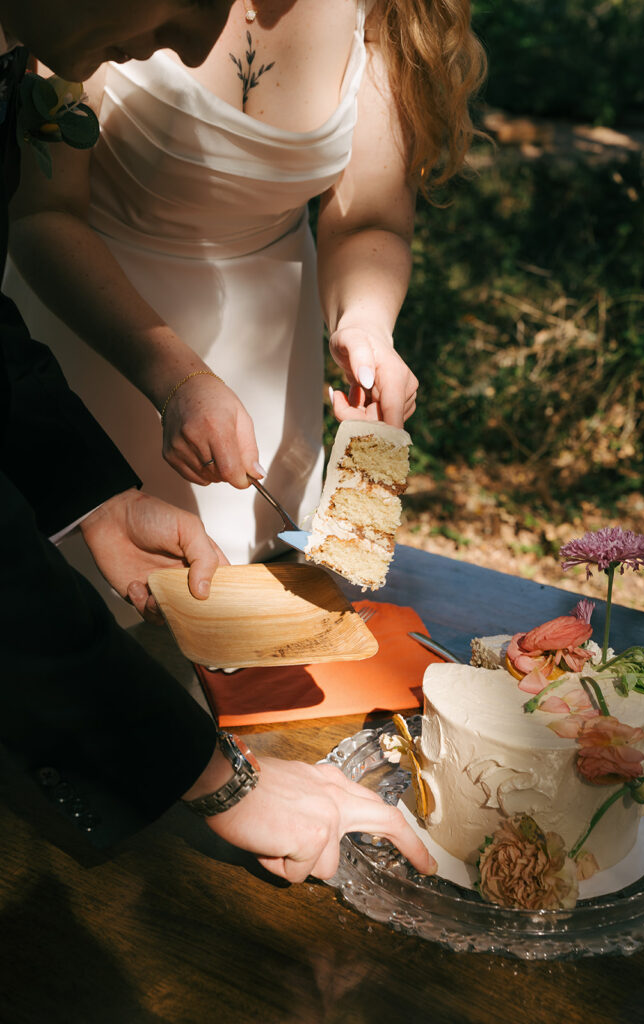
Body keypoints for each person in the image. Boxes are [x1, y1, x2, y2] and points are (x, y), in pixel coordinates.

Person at [0, 0, 436, 882]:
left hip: (69, 413)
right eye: (192, 6)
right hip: (93, 359)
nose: (201, 44)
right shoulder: (53, 49)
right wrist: (214, 781)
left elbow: (367, 217)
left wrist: (88, 493)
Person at [4, 0, 486, 627]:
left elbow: (369, 216)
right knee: (66, 635)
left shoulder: (390, 9)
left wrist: (364, 323)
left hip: (269, 370)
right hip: (88, 352)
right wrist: (179, 377)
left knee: (250, 634)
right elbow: (42, 213)